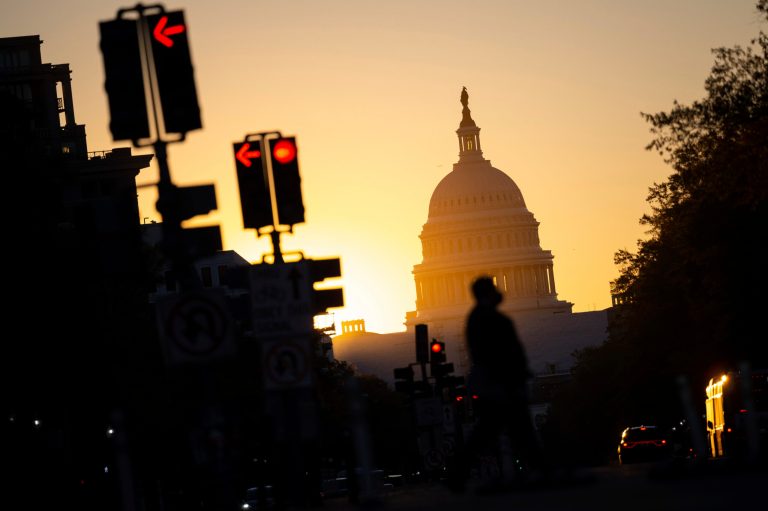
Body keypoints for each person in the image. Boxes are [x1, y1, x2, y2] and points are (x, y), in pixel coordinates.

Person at [455, 276, 544, 489]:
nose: (498, 292)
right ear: (486, 293)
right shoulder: (488, 319)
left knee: (500, 430)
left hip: (496, 384)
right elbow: (499, 354)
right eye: (493, 289)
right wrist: (512, 379)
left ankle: (458, 473)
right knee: (510, 429)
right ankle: (541, 469)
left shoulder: (479, 318)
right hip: (500, 385)